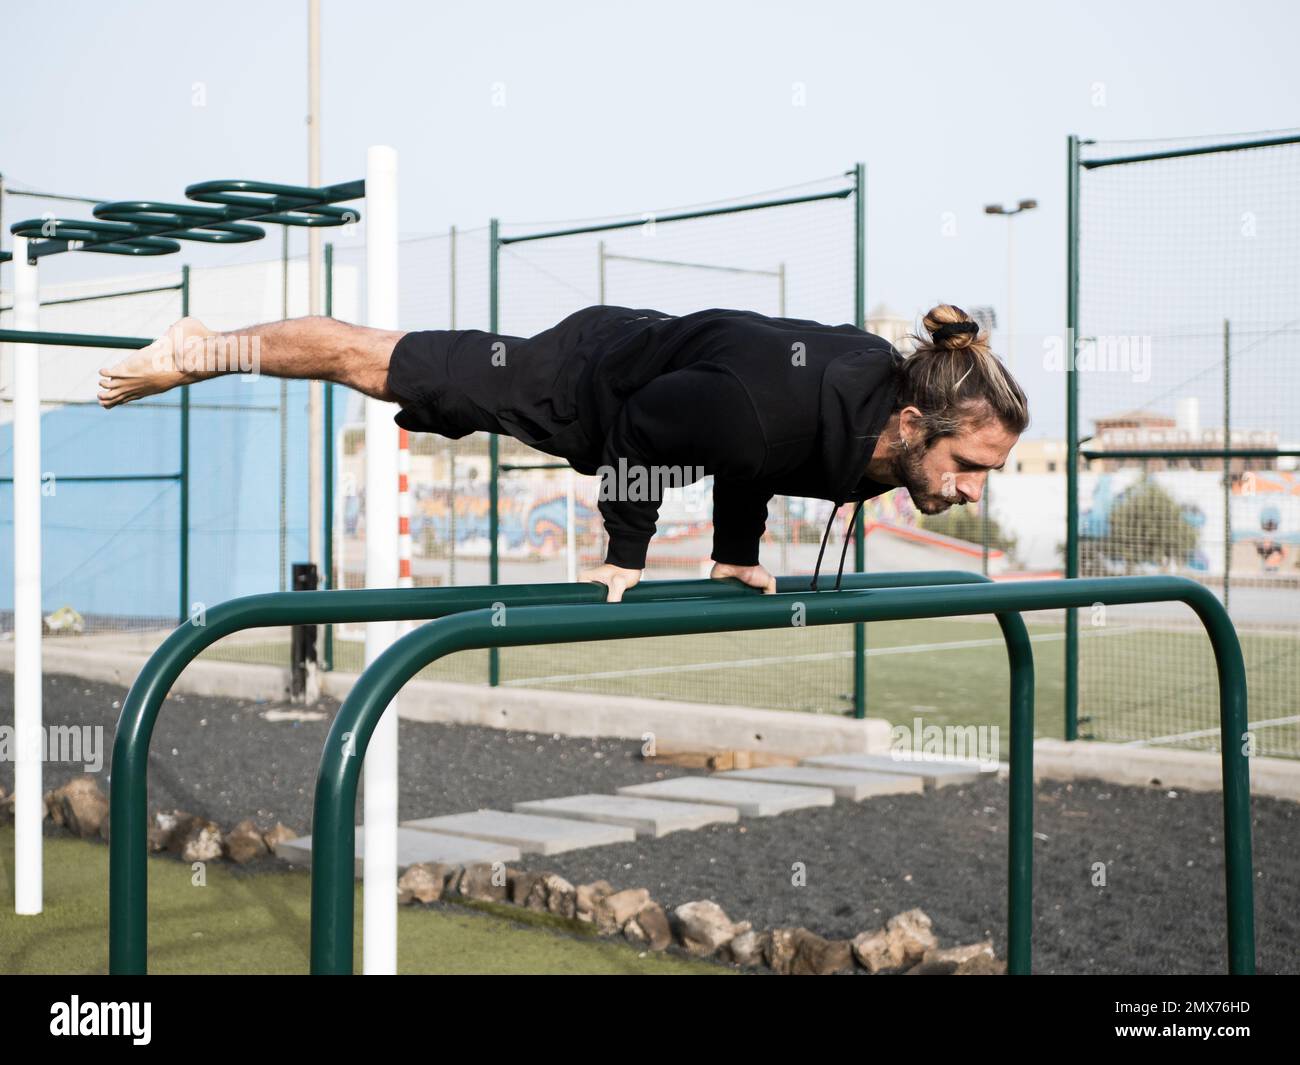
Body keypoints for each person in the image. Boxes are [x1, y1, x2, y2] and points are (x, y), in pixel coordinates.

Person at [97, 302, 1029, 601]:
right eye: (973, 466)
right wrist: (624, 551)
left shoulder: (883, 423)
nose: (974, 490)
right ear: (912, 426)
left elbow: (763, 459)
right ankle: (198, 351)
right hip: (591, 378)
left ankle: (203, 346)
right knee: (375, 362)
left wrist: (736, 552)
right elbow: (656, 432)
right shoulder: (766, 409)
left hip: (678, 373)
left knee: (388, 370)